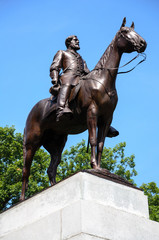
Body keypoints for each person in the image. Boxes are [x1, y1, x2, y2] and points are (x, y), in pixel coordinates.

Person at [50, 35, 89, 121]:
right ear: (69, 43)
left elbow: (87, 71)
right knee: (67, 83)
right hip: (68, 77)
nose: (78, 42)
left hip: (81, 78)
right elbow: (55, 67)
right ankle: (61, 109)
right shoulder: (62, 52)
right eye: (75, 40)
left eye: (78, 40)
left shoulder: (81, 58)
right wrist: (55, 78)